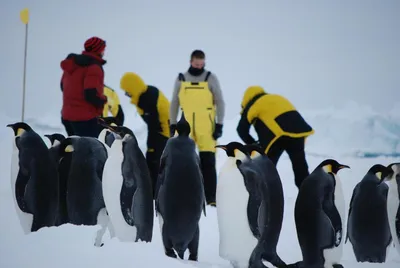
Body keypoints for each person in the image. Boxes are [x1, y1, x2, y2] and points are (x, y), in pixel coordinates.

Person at [169, 49, 225, 207]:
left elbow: (220, 101)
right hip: (186, 126)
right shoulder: (181, 78)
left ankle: (211, 198)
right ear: (190, 62)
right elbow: (174, 102)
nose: (199, 66)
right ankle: (186, 196)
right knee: (185, 161)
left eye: (202, 64)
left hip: (206, 126)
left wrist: (219, 124)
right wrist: (173, 123)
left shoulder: (210, 78)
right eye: (196, 64)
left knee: (208, 162)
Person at [236, 85, 314, 189]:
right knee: (300, 169)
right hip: (298, 131)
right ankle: (310, 196)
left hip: (278, 136)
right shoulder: (276, 98)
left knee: (266, 171)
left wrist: (253, 144)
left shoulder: (253, 103)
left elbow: (241, 129)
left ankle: (267, 199)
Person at [120, 72, 170, 198]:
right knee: (156, 161)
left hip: (162, 133)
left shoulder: (146, 99)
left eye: (127, 91)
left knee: (154, 161)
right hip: (164, 131)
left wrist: (152, 146)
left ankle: (153, 192)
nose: (127, 94)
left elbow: (154, 125)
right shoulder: (147, 93)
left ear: (133, 87)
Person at [60, 36, 107, 137]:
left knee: (75, 149)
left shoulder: (73, 64)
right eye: (103, 49)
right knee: (89, 150)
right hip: (85, 119)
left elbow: (62, 86)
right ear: (98, 50)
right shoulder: (94, 67)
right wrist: (103, 100)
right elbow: (91, 94)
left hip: (67, 116)